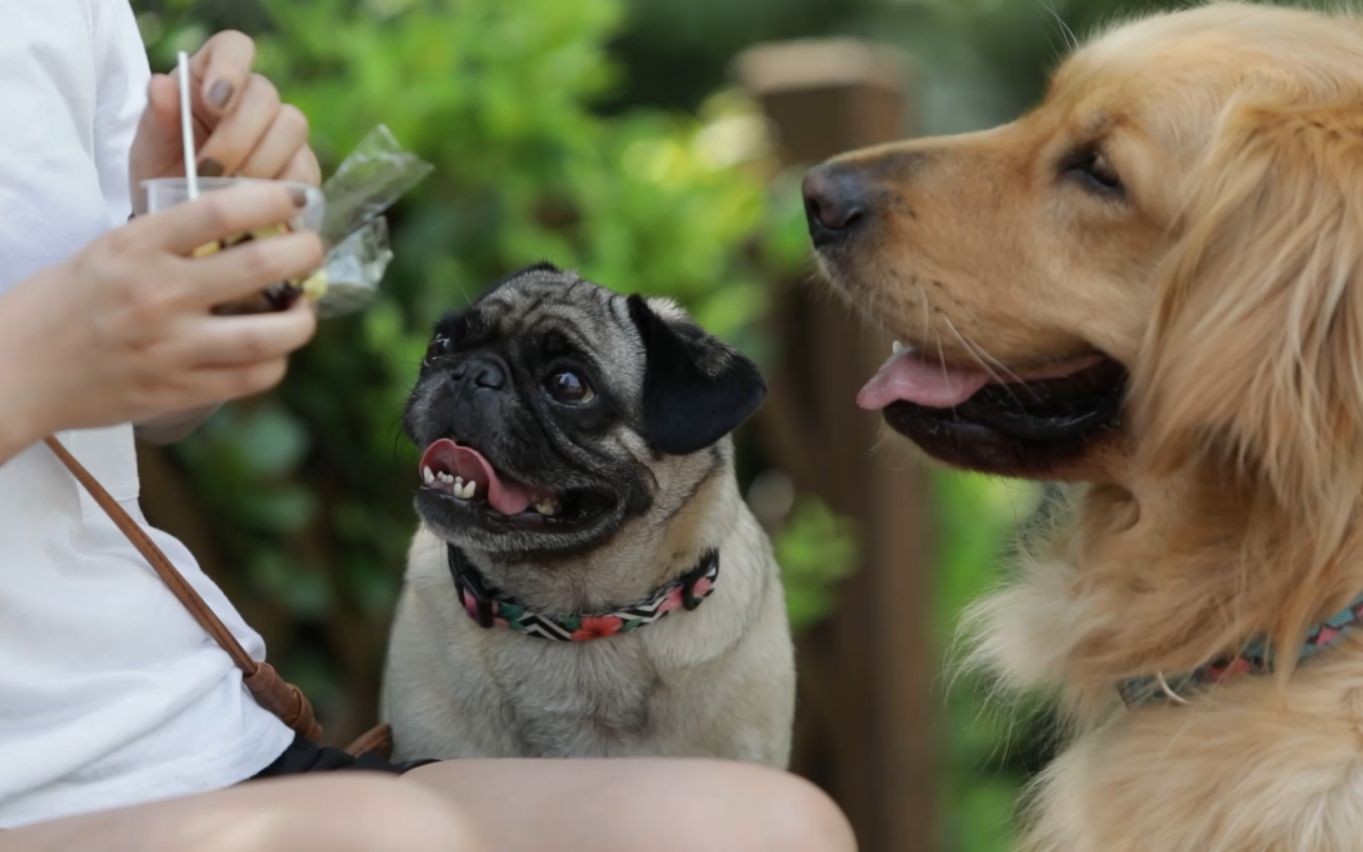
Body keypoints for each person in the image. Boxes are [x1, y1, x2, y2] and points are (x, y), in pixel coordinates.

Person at [0, 4, 857, 851]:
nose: (477, 386)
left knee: (783, 825)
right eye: (460, 352)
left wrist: (214, 260)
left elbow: (156, 410)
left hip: (186, 734)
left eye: (560, 382)